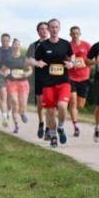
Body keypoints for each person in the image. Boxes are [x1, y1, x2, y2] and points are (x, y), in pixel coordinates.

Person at [27, 18, 74, 148]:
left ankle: (60, 127)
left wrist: (71, 63)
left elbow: (72, 57)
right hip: (47, 83)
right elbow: (31, 59)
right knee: (50, 111)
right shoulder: (43, 46)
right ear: (48, 29)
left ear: (59, 29)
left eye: (56, 27)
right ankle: (53, 136)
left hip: (63, 81)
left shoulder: (65, 44)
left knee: (62, 106)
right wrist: (37, 63)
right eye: (51, 27)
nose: (54, 29)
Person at [66, 25, 92, 138]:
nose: (75, 35)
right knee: (73, 102)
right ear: (70, 34)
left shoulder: (86, 45)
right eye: (73, 33)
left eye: (77, 33)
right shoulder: (67, 46)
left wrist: (86, 63)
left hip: (84, 77)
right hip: (71, 77)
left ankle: (74, 113)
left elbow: (91, 59)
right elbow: (63, 58)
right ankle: (76, 126)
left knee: (80, 105)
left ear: (80, 34)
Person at [26, 21, 50, 138]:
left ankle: (49, 128)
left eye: (46, 28)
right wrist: (36, 62)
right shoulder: (33, 45)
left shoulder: (55, 44)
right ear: (38, 31)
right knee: (41, 103)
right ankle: (41, 123)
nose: (44, 30)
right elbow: (27, 60)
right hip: (39, 78)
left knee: (51, 104)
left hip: (53, 78)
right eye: (41, 28)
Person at [2, 39, 31, 133]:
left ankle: (22, 114)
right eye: (15, 44)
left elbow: (30, 70)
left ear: (19, 46)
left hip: (23, 83)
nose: (16, 46)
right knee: (15, 103)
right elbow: (3, 70)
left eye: (18, 44)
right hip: (12, 83)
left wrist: (27, 74)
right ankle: (16, 125)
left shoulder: (24, 58)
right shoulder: (8, 59)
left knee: (22, 105)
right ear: (12, 46)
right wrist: (5, 73)